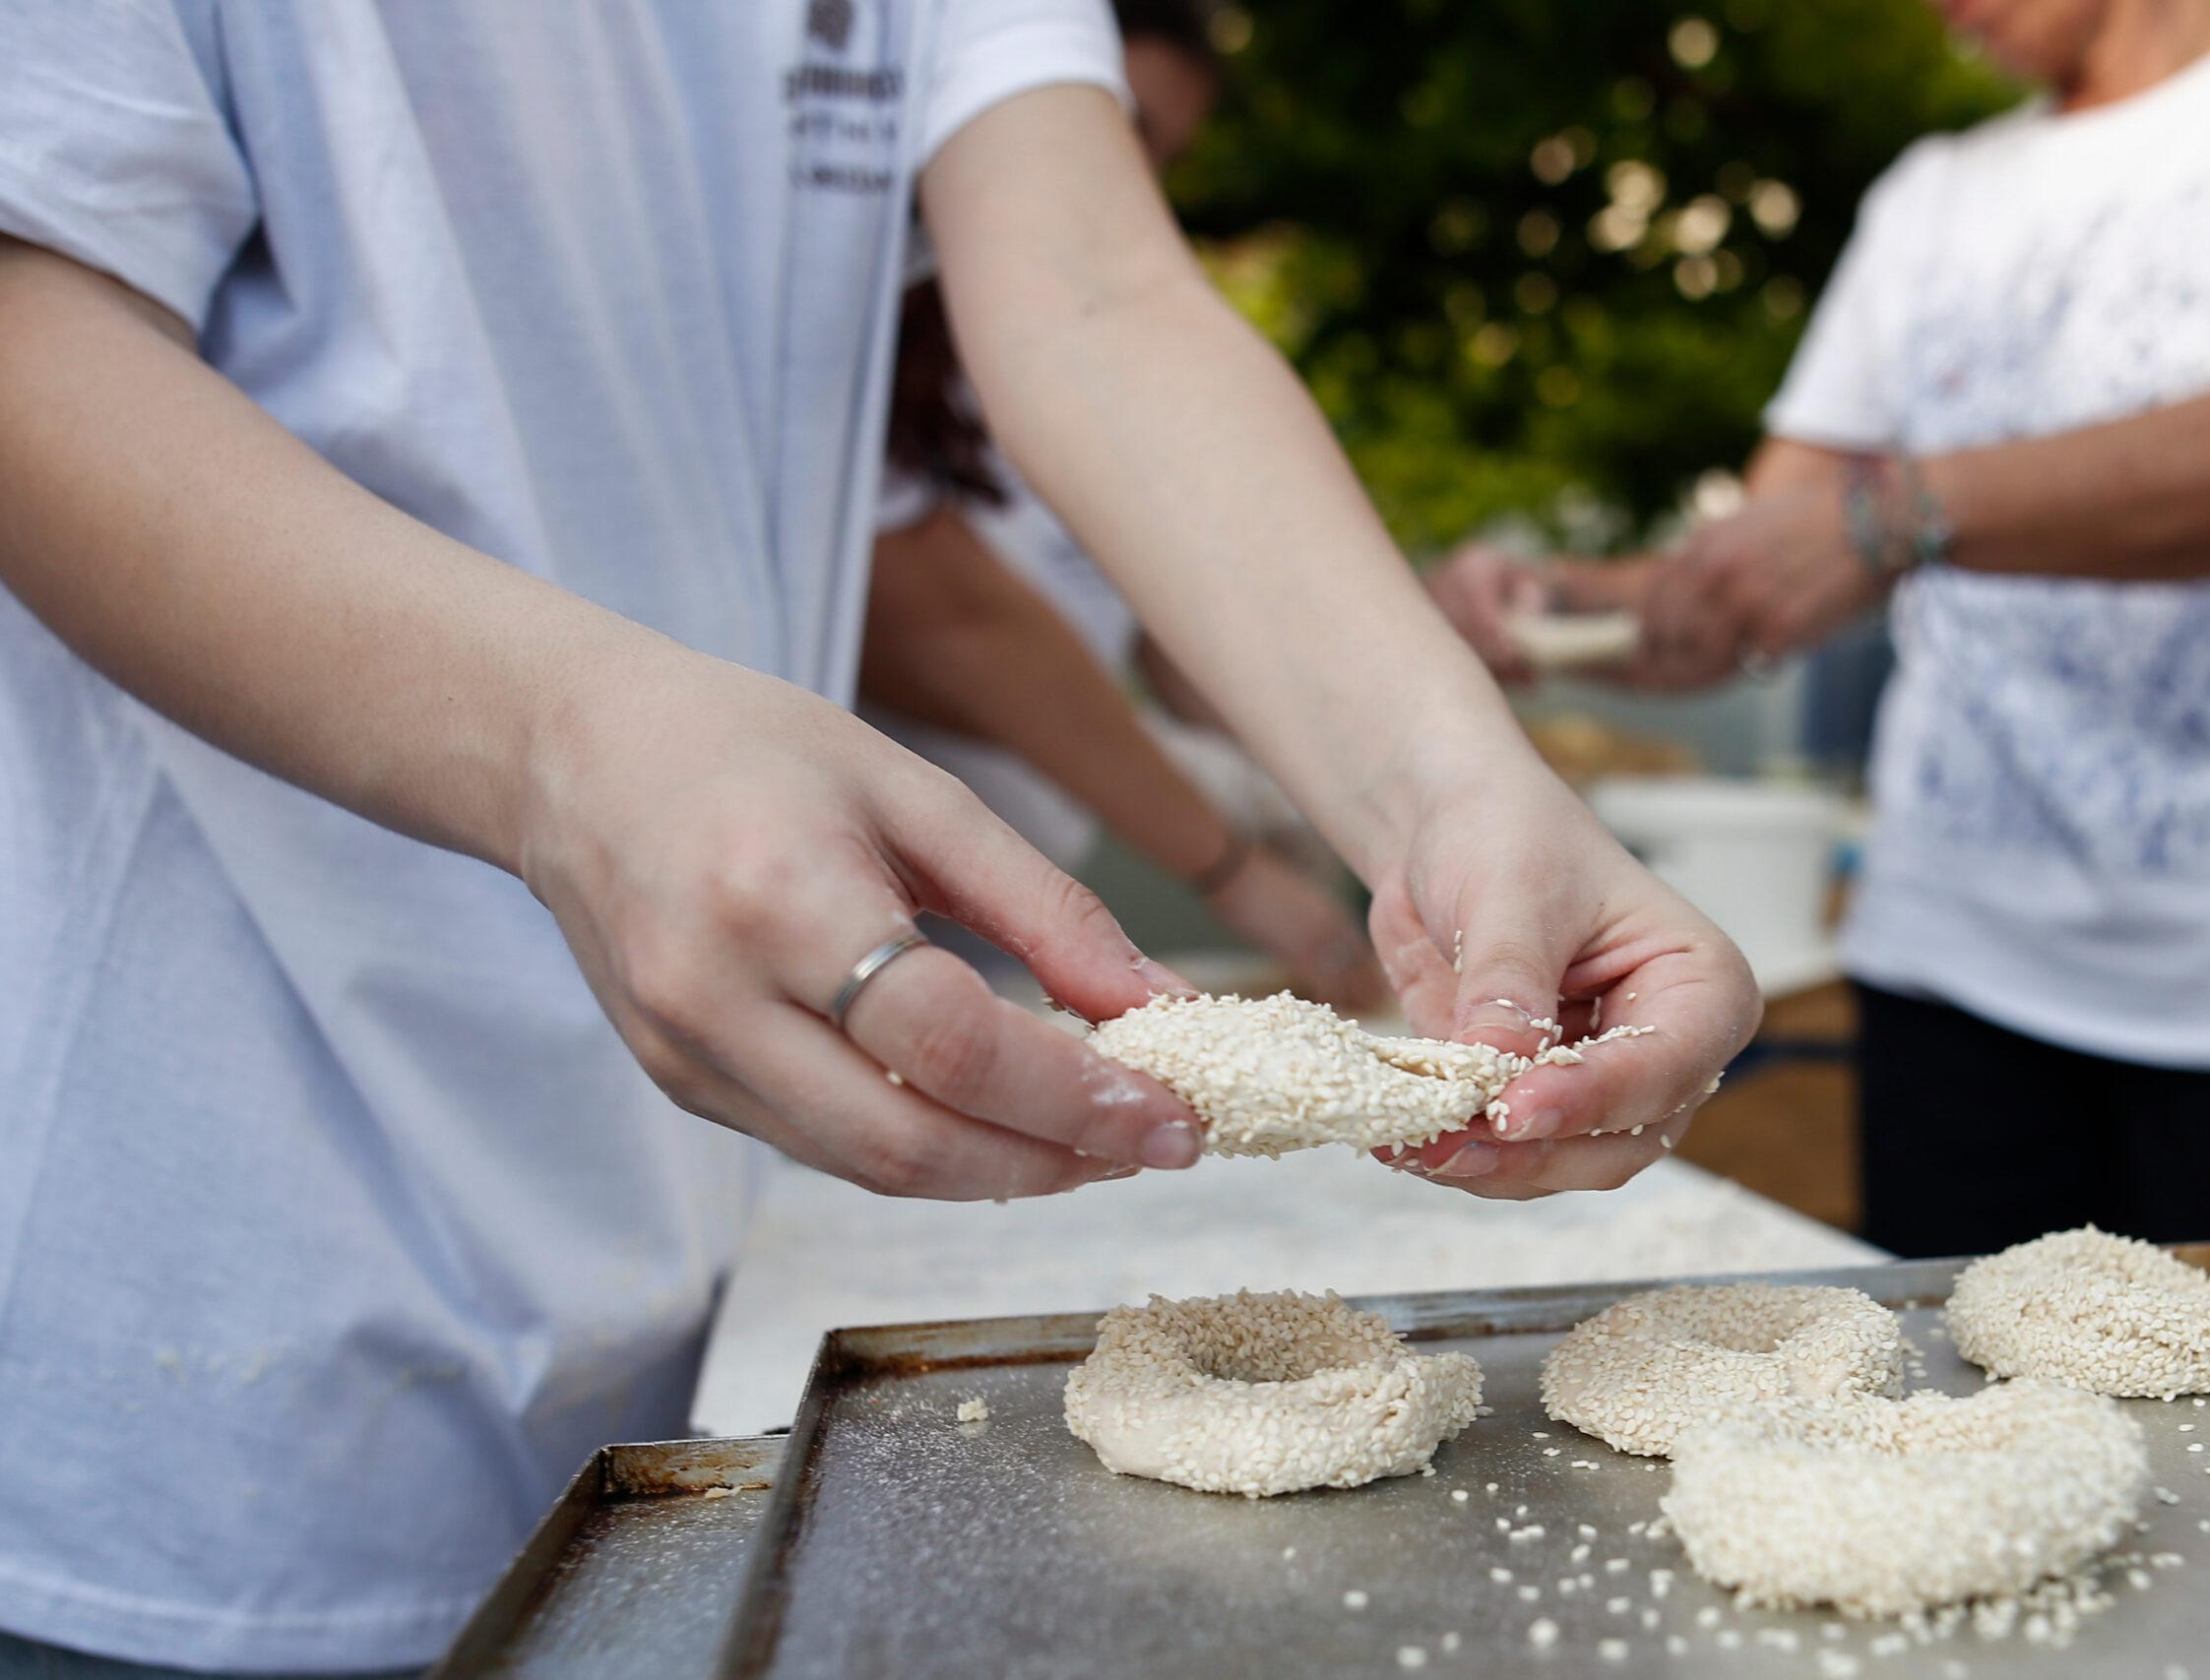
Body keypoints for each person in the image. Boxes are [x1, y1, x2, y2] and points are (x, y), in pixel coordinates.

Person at [0, 2, 1756, 1672]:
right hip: (199, 1289)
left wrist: (1454, 783)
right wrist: (567, 753)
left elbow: (1092, 294)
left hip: (702, 1279)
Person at [1437, 0, 2210, 1281]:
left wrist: (1895, 516)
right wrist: (1550, 612)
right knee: (1965, 1449)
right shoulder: (1932, 197)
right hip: (1957, 979)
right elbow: (1770, 566)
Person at [865, 0, 1387, 1010]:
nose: (1130, 183)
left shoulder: (1013, 359)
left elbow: (1168, 620)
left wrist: (1323, 767)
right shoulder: (879, 341)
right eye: (1119, 132)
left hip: (981, 913)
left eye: (1165, 156)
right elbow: (949, 623)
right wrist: (1231, 867)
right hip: (867, 894)